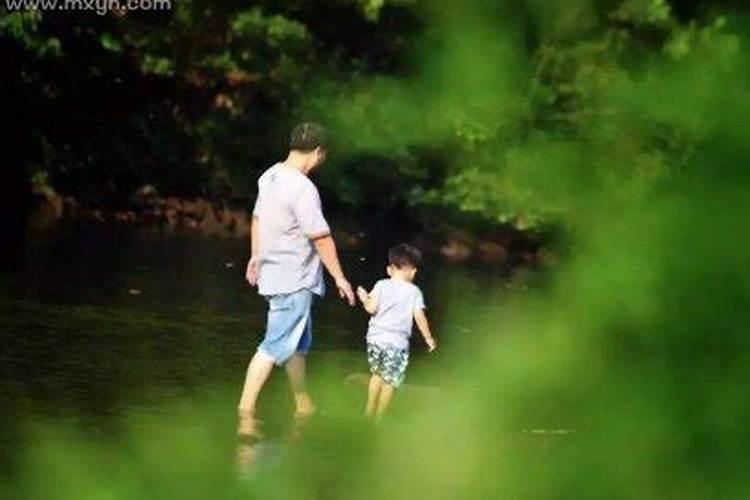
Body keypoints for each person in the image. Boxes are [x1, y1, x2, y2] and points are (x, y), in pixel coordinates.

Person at [238, 122, 355, 429]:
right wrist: (340, 278)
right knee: (273, 346)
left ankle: (303, 405)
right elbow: (321, 237)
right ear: (317, 153)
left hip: (274, 274)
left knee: (297, 345)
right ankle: (245, 412)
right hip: (295, 279)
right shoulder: (303, 188)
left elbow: (257, 217)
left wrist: (255, 254)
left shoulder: (270, 176)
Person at [356, 243, 437, 418]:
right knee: (390, 381)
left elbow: (371, 309)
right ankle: (380, 417)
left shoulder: (381, 285)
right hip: (396, 344)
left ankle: (368, 410)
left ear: (389, 269)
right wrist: (428, 338)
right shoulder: (414, 292)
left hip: (375, 340)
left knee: (376, 375)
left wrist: (364, 298)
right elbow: (419, 317)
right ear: (413, 271)